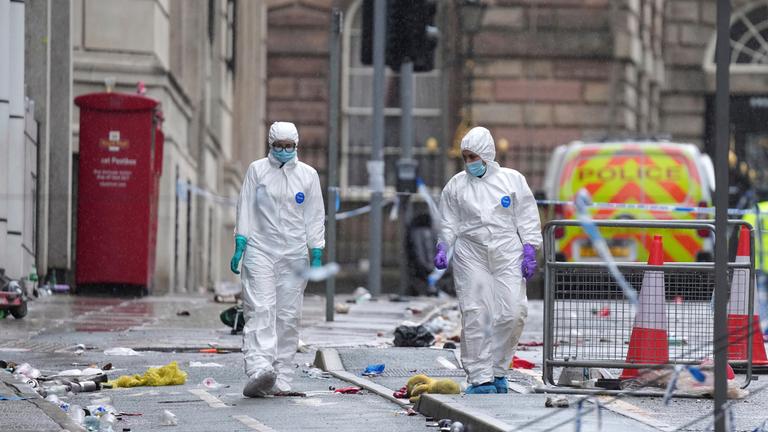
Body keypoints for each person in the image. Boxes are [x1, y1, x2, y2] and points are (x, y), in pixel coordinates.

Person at [434, 126, 542, 394]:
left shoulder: (512, 180)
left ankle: (498, 369)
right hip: (471, 255)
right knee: (476, 313)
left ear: (487, 154)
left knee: (513, 312)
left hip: (507, 251)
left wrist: (530, 248)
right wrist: (442, 246)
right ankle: (481, 376)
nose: (470, 163)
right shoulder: (456, 186)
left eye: (473, 157)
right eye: (466, 157)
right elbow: (448, 222)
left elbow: (527, 216)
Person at [230, 121, 326, 397]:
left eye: (289, 146)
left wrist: (316, 249)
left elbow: (314, 214)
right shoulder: (257, 171)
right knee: (260, 309)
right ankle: (260, 368)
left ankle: (282, 376)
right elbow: (245, 206)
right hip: (260, 249)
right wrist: (241, 242)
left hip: (294, 253)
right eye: (278, 146)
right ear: (270, 145)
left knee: (288, 316)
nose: (284, 151)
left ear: (296, 146)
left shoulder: (308, 176)